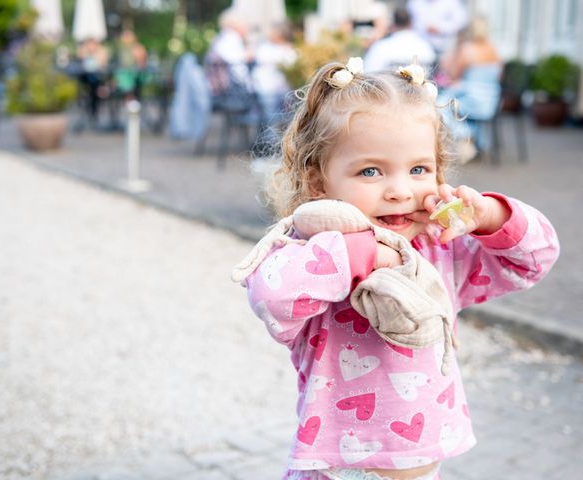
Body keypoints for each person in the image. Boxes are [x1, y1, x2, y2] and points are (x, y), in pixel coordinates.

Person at [231, 58, 559, 480]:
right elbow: (271, 294)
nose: (400, 191)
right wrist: (365, 254)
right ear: (318, 183)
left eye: (419, 169)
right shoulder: (313, 254)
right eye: (371, 171)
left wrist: (491, 215)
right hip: (337, 472)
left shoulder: (439, 252)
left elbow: (535, 258)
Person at [437, 16, 502, 159]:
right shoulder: (494, 50)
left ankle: (465, 136)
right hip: (491, 103)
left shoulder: (467, 49)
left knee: (441, 105)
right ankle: (479, 143)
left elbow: (453, 76)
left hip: (472, 101)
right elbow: (499, 77)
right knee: (457, 104)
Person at [364, 6, 435, 73]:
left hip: (389, 85)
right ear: (411, 23)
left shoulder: (380, 47)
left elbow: (369, 72)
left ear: (392, 25)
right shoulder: (425, 47)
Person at [77, 37, 109, 125]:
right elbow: (80, 59)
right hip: (86, 78)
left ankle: (94, 111)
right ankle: (90, 110)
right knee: (92, 90)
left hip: (97, 78)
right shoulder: (84, 51)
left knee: (97, 88)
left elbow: (103, 64)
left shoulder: (101, 52)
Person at [114, 29, 148, 101]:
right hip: (124, 74)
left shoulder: (139, 48)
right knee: (121, 76)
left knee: (127, 77)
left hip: (137, 74)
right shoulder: (121, 49)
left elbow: (142, 63)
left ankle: (130, 99)